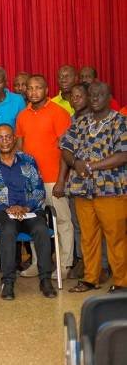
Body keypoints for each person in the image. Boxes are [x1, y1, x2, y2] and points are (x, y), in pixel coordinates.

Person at [61, 82, 126, 294]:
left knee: (116, 237)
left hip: (111, 190)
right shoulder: (80, 122)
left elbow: (123, 155)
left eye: (100, 94)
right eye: (92, 95)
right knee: (88, 237)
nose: (95, 98)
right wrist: (75, 162)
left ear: (109, 97)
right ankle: (91, 278)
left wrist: (90, 166)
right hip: (82, 189)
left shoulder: (120, 122)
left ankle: (122, 282)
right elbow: (65, 148)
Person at [0, 124, 57, 300]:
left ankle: (45, 280)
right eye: (0, 138)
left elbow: (39, 190)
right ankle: (8, 282)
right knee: (8, 230)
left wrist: (26, 207)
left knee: (41, 229)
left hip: (29, 210)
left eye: (8, 137)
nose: (5, 141)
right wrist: (8, 208)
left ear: (14, 139)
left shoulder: (28, 160)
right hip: (4, 213)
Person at [15, 75, 73, 279]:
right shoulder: (22, 115)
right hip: (30, 181)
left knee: (62, 221)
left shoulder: (59, 113)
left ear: (47, 90)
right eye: (30, 88)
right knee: (35, 222)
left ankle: (65, 265)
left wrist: (61, 180)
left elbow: (66, 149)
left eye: (38, 88)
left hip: (53, 179)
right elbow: (19, 148)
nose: (33, 92)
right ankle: (38, 263)